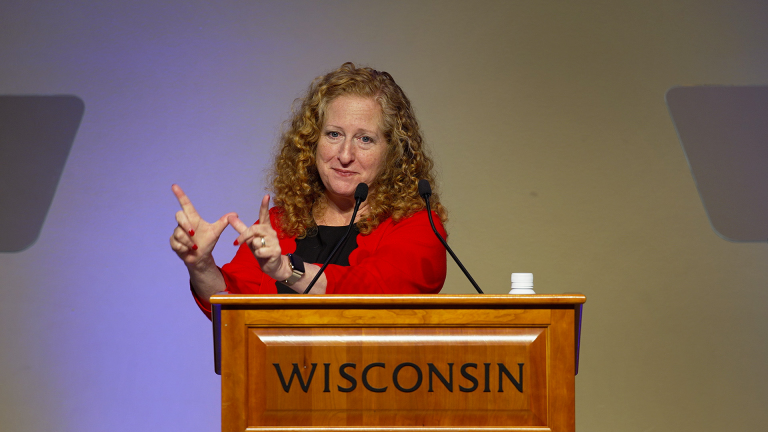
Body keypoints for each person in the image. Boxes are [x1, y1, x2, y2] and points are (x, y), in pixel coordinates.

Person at [169, 62, 448, 318]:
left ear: (392, 151)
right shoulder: (280, 223)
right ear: (312, 141)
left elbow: (374, 292)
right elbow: (233, 307)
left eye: (365, 139)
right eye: (334, 134)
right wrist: (201, 265)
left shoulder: (419, 226)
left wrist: (286, 271)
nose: (345, 154)